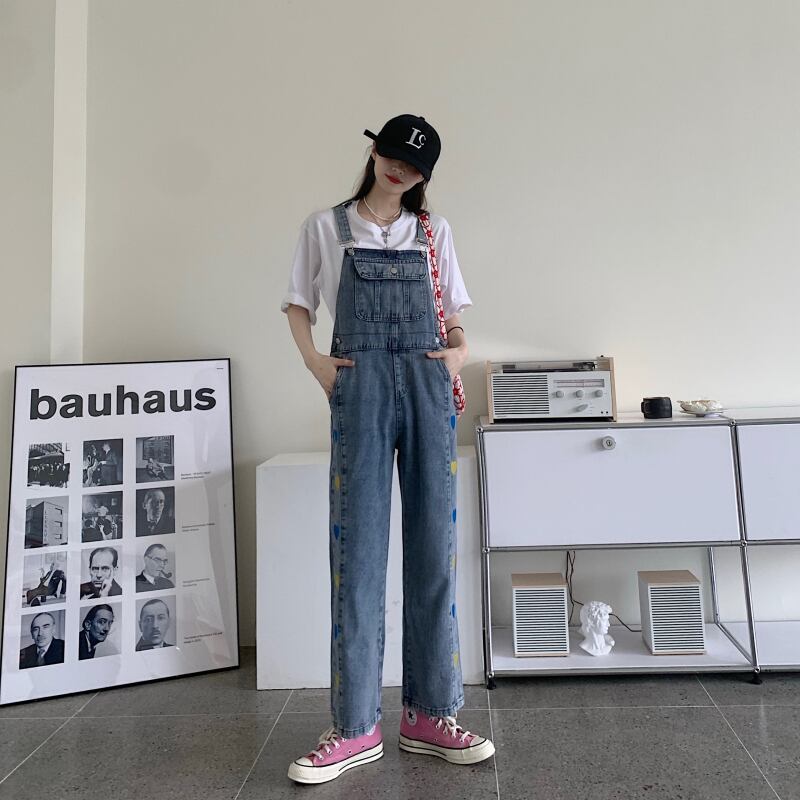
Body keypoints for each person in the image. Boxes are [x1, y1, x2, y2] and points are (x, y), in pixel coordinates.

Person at [282, 115, 494, 785]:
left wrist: (458, 353)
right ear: (375, 152)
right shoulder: (326, 227)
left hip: (429, 386)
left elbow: (453, 318)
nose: (400, 169)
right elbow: (297, 304)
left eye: (414, 164)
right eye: (393, 154)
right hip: (361, 388)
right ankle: (356, 726)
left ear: (424, 176)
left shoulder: (433, 232)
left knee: (434, 550)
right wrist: (317, 363)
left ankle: (430, 714)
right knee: (358, 554)